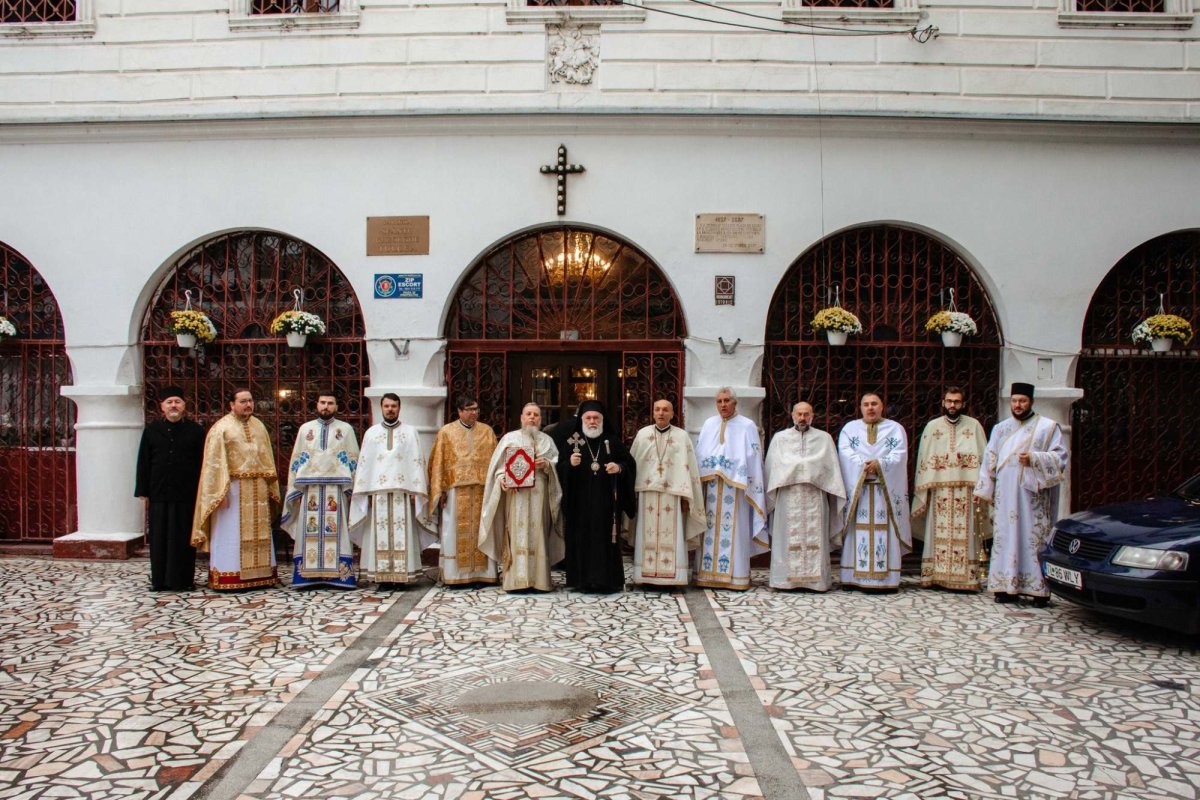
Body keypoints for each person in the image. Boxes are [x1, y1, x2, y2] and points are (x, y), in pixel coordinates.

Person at [974, 382, 1068, 606]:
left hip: (1032, 497)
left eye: (1022, 401)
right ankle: (1005, 587)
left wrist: (1035, 459)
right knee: (1006, 537)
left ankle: (1037, 590)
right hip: (1006, 495)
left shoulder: (1047, 427)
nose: (1018, 405)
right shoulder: (1000, 428)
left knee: (1032, 538)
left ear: (1031, 402)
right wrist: (982, 489)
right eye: (1015, 401)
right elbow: (990, 459)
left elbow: (1060, 457)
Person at [191, 388, 280, 591]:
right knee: (230, 534)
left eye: (250, 401)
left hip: (258, 489)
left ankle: (262, 575)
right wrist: (218, 493)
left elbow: (267, 459)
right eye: (243, 401)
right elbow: (214, 465)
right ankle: (228, 576)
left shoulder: (259, 426)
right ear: (232, 405)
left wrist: (269, 487)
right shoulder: (221, 428)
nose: (248, 405)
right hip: (231, 489)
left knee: (260, 535)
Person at [350, 393, 437, 585]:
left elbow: (417, 462)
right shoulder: (371, 433)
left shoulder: (410, 432)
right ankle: (380, 577)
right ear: (381, 408)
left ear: (399, 408)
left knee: (403, 533)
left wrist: (417, 491)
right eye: (387, 406)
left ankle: (402, 576)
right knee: (377, 534)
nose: (390, 409)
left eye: (394, 406)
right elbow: (365, 465)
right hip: (378, 493)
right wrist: (365, 494)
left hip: (403, 493)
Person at [478, 403, 564, 592]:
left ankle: (540, 581)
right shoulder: (509, 439)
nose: (532, 417)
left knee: (538, 532)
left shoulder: (547, 441)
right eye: (528, 414)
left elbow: (557, 466)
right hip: (516, 495)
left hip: (539, 494)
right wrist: (502, 480)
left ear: (541, 419)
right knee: (516, 534)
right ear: (521, 417)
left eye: (536, 415)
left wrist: (547, 465)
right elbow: (497, 469)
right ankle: (515, 581)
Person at [911, 386, 990, 591]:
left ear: (963, 404)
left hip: (966, 491)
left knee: (966, 533)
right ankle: (935, 575)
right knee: (937, 532)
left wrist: (982, 489)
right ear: (943, 402)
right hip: (939, 491)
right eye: (949, 401)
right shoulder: (932, 427)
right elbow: (924, 460)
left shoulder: (974, 426)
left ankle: (966, 579)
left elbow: (984, 460)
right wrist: (924, 488)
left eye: (956, 402)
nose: (952, 405)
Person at [553, 399, 636, 593]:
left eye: (595, 418)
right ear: (582, 420)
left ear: (602, 420)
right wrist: (568, 465)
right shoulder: (573, 441)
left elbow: (629, 464)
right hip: (579, 504)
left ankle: (607, 581)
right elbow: (559, 469)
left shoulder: (611, 441)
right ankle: (581, 581)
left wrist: (619, 467)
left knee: (605, 541)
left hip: (606, 505)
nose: (592, 422)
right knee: (581, 540)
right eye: (588, 418)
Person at [280, 392, 360, 589]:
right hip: (310, 491)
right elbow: (296, 460)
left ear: (336, 406)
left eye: (330, 403)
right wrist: (294, 490)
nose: (326, 406)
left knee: (338, 531)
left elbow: (353, 460)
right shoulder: (305, 429)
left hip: (337, 490)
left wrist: (353, 491)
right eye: (323, 403)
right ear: (316, 404)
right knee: (309, 531)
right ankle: (306, 576)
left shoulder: (346, 429)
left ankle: (340, 575)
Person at [764, 401, 847, 592]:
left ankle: (816, 582)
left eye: (806, 414)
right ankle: (784, 580)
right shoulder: (780, 439)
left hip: (815, 496)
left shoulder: (824, 439)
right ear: (792, 415)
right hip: (787, 496)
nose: (802, 418)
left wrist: (806, 470)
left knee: (816, 535)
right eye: (799, 414)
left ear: (812, 416)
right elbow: (772, 469)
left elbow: (831, 470)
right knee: (785, 536)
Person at [837, 392, 911, 590]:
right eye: (866, 404)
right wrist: (864, 464)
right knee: (856, 531)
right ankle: (852, 577)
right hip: (859, 493)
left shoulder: (895, 429)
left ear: (882, 406)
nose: (870, 408)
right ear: (860, 407)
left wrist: (880, 464)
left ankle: (887, 579)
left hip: (884, 492)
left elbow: (900, 455)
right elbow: (845, 453)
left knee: (885, 531)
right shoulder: (850, 429)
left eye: (874, 404)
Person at [695, 387, 768, 590]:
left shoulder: (747, 426)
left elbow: (753, 458)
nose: (723, 405)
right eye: (719, 401)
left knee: (736, 531)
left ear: (735, 403)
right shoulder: (709, 424)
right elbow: (700, 453)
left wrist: (730, 469)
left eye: (727, 400)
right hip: (710, 488)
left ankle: (737, 576)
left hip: (737, 490)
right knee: (708, 529)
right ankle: (706, 574)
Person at [135, 385, 205, 591]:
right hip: (159, 493)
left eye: (177, 402)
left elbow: (203, 463)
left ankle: (183, 580)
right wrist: (142, 490)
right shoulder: (151, 431)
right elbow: (143, 461)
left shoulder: (196, 431)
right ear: (162, 407)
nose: (173, 405)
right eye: (169, 402)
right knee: (159, 538)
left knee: (183, 538)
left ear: (184, 406)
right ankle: (159, 580)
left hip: (186, 493)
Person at [629, 399, 706, 587]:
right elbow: (633, 465)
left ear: (672, 414)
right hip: (646, 493)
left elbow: (690, 468)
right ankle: (644, 576)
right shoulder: (642, 435)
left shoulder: (681, 436)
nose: (661, 413)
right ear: (653, 413)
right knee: (646, 533)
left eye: (665, 410)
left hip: (673, 494)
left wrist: (688, 497)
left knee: (672, 534)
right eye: (657, 409)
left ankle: (674, 578)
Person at [428, 397, 499, 585]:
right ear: (459, 411)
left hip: (481, 491)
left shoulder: (487, 431)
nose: (473, 412)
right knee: (453, 532)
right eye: (469, 409)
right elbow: (438, 463)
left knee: (481, 530)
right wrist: (440, 489)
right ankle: (455, 576)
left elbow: (495, 462)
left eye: (476, 409)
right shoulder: (446, 432)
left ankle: (483, 575)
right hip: (455, 491)